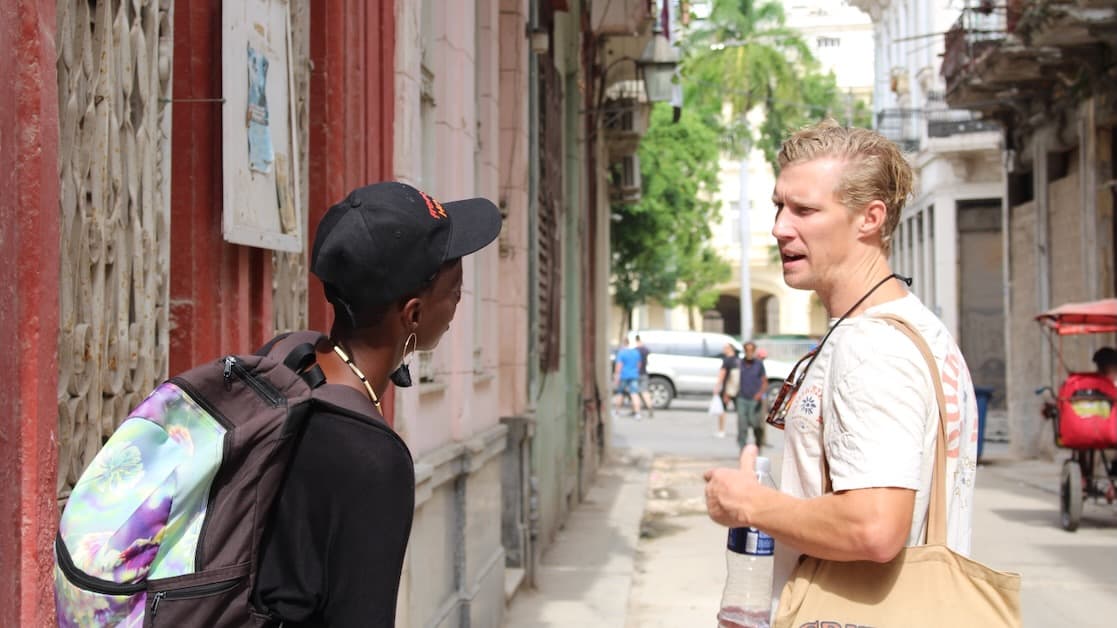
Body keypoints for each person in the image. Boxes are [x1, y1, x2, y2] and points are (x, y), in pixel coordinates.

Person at [703, 121, 980, 616]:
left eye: (805, 210)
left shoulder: (871, 346)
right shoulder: (918, 328)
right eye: (779, 206)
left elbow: (873, 527)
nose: (780, 226)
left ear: (869, 219)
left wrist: (748, 504)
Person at [253, 181, 502, 626]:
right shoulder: (371, 457)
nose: (459, 304)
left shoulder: (285, 358)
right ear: (413, 314)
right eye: (455, 291)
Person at [734, 341, 767, 448]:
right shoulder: (739, 363)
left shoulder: (759, 364)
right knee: (742, 424)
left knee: (755, 423)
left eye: (751, 350)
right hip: (742, 398)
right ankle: (742, 447)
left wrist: (760, 393)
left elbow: (764, 381)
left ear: (754, 351)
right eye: (747, 350)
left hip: (755, 399)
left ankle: (758, 443)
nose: (749, 352)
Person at [613, 337, 645, 419]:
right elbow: (639, 364)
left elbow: (619, 366)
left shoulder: (622, 353)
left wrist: (616, 376)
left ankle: (617, 412)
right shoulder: (636, 352)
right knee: (634, 394)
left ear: (624, 343)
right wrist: (635, 372)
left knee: (620, 394)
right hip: (634, 375)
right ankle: (638, 413)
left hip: (623, 375)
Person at [713, 343, 738, 438]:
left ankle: (721, 430)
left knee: (722, 410)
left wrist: (717, 386)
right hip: (736, 389)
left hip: (726, 389)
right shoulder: (738, 360)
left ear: (730, 349)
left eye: (725, 348)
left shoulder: (726, 361)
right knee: (739, 410)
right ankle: (741, 430)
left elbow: (722, 374)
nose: (723, 349)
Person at [634, 334, 655, 417]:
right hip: (644, 372)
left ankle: (636, 410)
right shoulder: (646, 350)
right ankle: (650, 408)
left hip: (636, 373)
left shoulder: (635, 350)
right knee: (645, 391)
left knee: (635, 393)